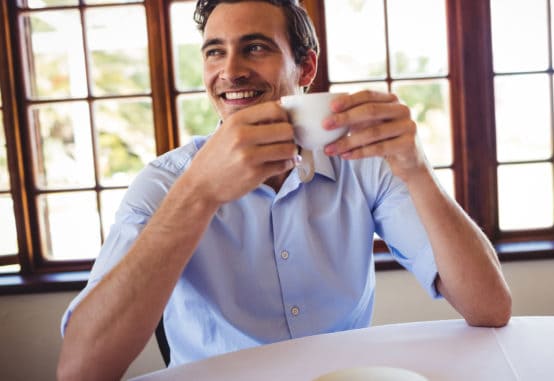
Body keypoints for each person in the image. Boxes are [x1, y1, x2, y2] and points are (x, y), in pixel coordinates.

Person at [57, 0, 512, 379]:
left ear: (306, 66)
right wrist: (197, 194)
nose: (230, 72)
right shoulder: (163, 183)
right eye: (215, 52)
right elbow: (81, 371)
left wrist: (417, 169)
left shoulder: (362, 164)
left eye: (254, 48)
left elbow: (489, 308)